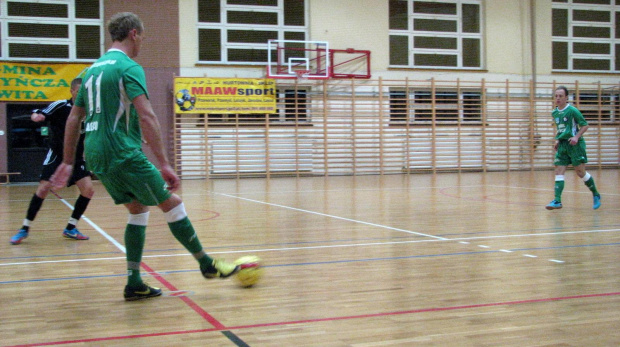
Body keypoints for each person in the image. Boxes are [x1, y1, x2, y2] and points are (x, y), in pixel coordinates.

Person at [51, 12, 239, 301]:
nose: (142, 44)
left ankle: (134, 282)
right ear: (134, 34)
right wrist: (164, 163)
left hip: (96, 154)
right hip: (122, 152)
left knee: (137, 210)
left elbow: (74, 119)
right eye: (142, 38)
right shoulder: (129, 67)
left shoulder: (89, 72)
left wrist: (67, 160)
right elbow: (147, 115)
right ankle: (206, 264)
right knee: (173, 204)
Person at [10, 78, 94, 245]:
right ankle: (24, 229)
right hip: (57, 155)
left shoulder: (92, 111)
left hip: (76, 158)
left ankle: (71, 227)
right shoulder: (61, 106)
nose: (81, 96)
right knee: (43, 189)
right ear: (72, 91)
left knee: (88, 190)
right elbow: (40, 111)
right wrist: (36, 116)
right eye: (78, 92)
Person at [546, 85, 601, 210]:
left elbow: (585, 125)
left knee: (580, 172)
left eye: (560, 96)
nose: (558, 98)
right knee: (559, 171)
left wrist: (576, 137)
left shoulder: (572, 110)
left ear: (566, 98)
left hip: (575, 145)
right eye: (556, 96)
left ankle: (596, 194)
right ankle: (557, 200)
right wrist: (559, 140)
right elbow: (562, 128)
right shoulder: (554, 112)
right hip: (563, 144)